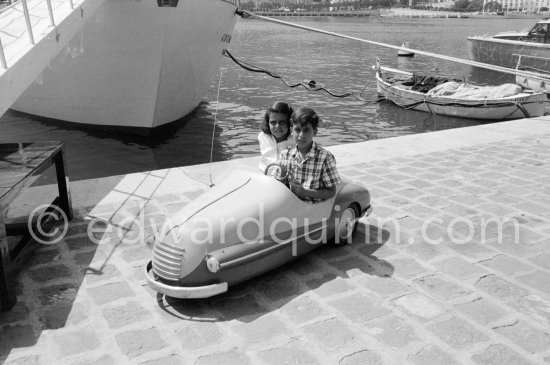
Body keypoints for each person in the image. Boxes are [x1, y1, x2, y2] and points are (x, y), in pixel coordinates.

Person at [279, 107, 341, 203]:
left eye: (306, 130)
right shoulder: (285, 155)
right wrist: (282, 172)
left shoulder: (325, 157)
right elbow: (279, 187)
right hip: (291, 204)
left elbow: (331, 192)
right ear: (291, 130)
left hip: (312, 207)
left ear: (315, 132)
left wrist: (305, 192)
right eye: (297, 130)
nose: (301, 135)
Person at [258, 101, 294, 172]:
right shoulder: (263, 136)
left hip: (287, 176)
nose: (277, 126)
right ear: (268, 123)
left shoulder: (295, 139)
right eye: (273, 122)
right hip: (265, 174)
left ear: (290, 123)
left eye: (282, 122)